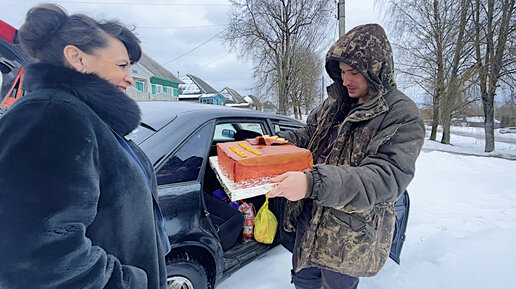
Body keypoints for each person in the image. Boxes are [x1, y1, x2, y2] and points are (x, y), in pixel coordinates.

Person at [0, 4, 170, 288]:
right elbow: (36, 256)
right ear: (77, 58)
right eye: (122, 66)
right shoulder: (51, 116)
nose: (130, 78)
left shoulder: (91, 120)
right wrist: (130, 282)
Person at [268, 24, 425, 289]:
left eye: (354, 72)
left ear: (376, 69)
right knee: (304, 279)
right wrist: (280, 142)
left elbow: (384, 178)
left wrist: (312, 183)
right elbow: (311, 134)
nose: (346, 80)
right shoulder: (336, 102)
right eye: (341, 72)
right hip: (309, 212)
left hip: (348, 231)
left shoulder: (401, 114)